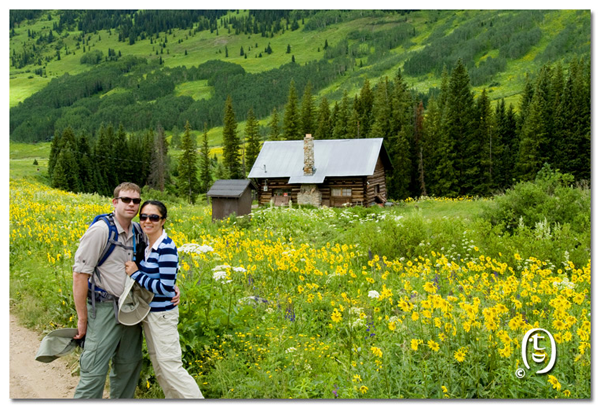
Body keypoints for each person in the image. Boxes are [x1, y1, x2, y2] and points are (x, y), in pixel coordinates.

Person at [71, 183, 179, 399]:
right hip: (104, 307)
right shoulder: (101, 231)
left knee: (128, 365)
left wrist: (171, 285)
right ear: (115, 202)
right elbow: (80, 275)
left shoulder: (139, 229)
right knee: (94, 366)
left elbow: (158, 260)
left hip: (131, 307)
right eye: (126, 200)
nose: (132, 204)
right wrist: (82, 318)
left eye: (136, 201)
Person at [125, 200, 204, 399]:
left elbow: (164, 287)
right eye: (143, 217)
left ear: (163, 221)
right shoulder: (149, 245)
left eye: (154, 217)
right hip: (150, 315)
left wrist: (135, 274)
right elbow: (166, 282)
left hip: (162, 317)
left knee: (171, 368)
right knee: (160, 369)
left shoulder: (166, 247)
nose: (147, 221)